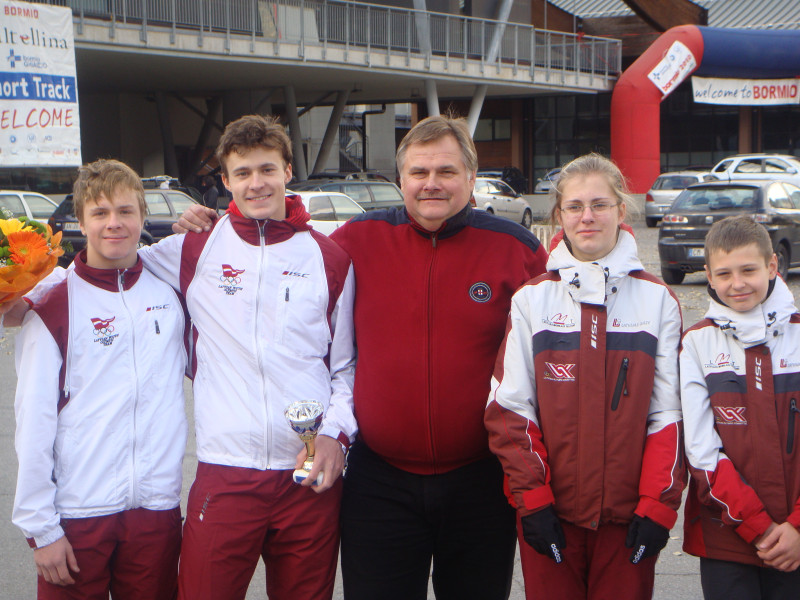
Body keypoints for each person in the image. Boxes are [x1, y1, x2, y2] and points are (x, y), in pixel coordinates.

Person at [175, 114, 549, 599]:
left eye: (446, 172)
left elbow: (555, 354)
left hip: (478, 480)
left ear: (472, 179)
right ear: (400, 179)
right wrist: (211, 221)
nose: (430, 184)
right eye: (418, 172)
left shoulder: (515, 249)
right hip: (380, 484)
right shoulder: (355, 242)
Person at [485, 153, 685, 600]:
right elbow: (509, 409)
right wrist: (532, 500)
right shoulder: (532, 300)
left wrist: (657, 506)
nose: (587, 217)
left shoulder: (658, 301)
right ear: (559, 215)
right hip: (550, 515)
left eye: (600, 204)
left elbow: (670, 416)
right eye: (574, 207)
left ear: (621, 209)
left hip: (629, 520)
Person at [13, 159, 188, 599]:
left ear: (143, 217)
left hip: (155, 510)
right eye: (101, 213)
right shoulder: (54, 302)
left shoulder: (169, 293)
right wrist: (41, 529)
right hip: (77, 515)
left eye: (126, 212)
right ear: (80, 220)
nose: (114, 224)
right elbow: (32, 424)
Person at [680, 215, 800, 600]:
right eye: (725, 273)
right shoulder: (696, 343)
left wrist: (796, 526)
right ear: (709, 277)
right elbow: (700, 450)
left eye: (749, 270)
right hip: (726, 538)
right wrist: (757, 526)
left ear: (772, 266)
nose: (738, 284)